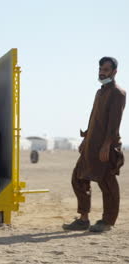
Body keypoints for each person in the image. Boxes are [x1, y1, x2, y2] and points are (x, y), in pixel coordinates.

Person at [63, 57, 126, 232]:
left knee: (107, 183)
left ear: (114, 72)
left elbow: (114, 123)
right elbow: (93, 119)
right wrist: (85, 140)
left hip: (105, 147)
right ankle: (83, 219)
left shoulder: (117, 93)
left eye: (106, 69)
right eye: (100, 68)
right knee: (78, 178)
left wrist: (107, 145)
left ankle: (107, 222)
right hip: (91, 144)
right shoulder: (100, 92)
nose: (102, 72)